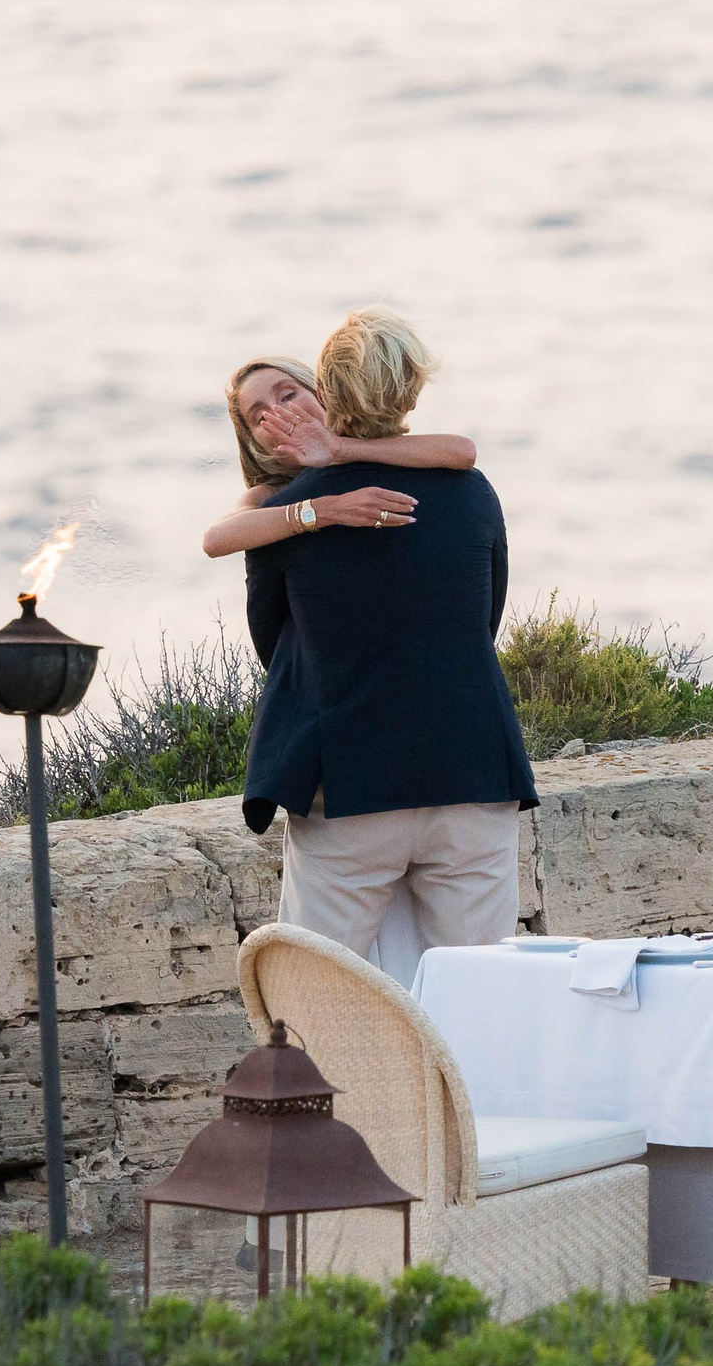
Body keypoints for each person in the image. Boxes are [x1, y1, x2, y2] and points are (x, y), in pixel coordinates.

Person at [234, 311, 537, 962]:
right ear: (409, 387)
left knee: (324, 993)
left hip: (348, 788)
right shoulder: (473, 491)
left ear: (327, 392)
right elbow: (484, 619)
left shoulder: (288, 516)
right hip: (470, 771)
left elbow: (273, 648)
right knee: (483, 988)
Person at [202, 353, 474, 558]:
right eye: (261, 417)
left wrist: (339, 448)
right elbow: (215, 540)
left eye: (287, 395)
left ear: (319, 393)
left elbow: (462, 452)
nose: (280, 413)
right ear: (255, 445)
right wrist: (329, 509)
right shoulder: (267, 495)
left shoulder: (375, 449)